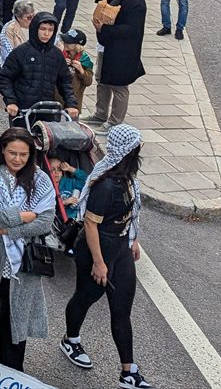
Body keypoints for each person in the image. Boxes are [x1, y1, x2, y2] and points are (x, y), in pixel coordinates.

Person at [60, 124, 153, 389]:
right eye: (138, 146)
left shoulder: (127, 176)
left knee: (121, 309)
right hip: (96, 250)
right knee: (86, 297)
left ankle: (128, 372)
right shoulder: (106, 185)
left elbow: (130, 211)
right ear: (129, 151)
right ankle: (71, 339)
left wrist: (132, 240)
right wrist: (99, 264)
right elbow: (90, 225)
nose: (140, 150)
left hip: (120, 248)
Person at [0, 128, 56, 372]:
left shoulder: (40, 179)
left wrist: (7, 230)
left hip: (22, 267)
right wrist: (21, 216)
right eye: (12, 153)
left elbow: (45, 221)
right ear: (2, 149)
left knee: (15, 327)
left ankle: (10, 373)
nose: (17, 159)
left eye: (23, 154)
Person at [88, 0, 146, 133]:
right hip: (109, 47)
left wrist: (104, 29)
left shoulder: (136, 2)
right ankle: (100, 114)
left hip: (123, 52)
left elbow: (131, 30)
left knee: (119, 87)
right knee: (103, 81)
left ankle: (115, 122)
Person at [0, 11, 79, 120]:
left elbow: (65, 81)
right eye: (43, 29)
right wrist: (11, 101)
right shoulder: (21, 52)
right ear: (35, 29)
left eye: (50, 30)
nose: (46, 34)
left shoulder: (56, 54)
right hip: (23, 110)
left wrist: (71, 103)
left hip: (48, 110)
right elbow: (5, 77)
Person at [0, 0, 35, 66]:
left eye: (34, 16)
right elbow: (9, 54)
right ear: (18, 17)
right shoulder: (9, 30)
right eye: (29, 17)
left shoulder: (38, 25)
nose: (33, 19)